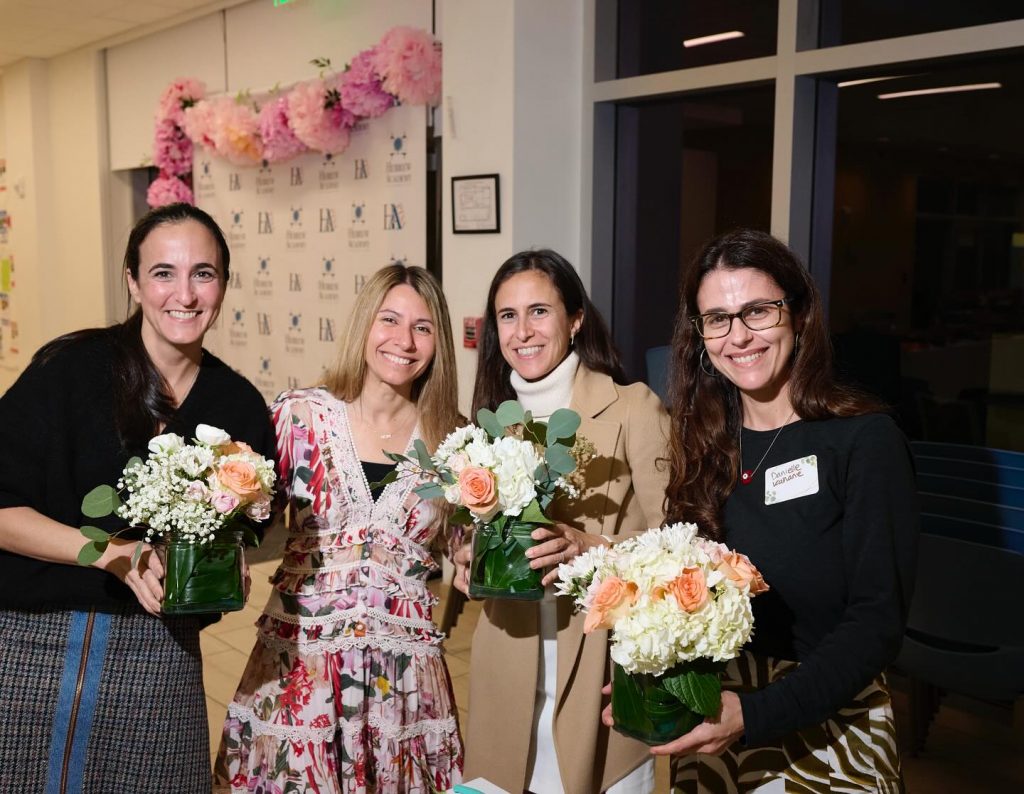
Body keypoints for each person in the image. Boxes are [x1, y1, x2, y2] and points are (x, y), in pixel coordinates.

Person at [0, 202, 275, 792]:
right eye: (163, 273)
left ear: (224, 284)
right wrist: (111, 553)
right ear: (132, 280)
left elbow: (241, 535)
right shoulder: (71, 371)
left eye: (204, 273)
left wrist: (227, 566)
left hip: (159, 658)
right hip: (33, 644)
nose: (186, 293)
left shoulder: (239, 408)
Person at [652, 229, 917, 791]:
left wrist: (757, 714)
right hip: (714, 719)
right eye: (717, 319)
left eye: (758, 311)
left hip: (830, 727)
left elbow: (877, 622)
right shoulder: (702, 445)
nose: (738, 336)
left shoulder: (864, 442)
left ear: (798, 315)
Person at [216, 265, 464, 793]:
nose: (404, 340)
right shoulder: (299, 417)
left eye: (423, 327)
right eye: (389, 319)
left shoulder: (455, 440)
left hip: (401, 681)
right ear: (364, 326)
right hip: (303, 666)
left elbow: (468, 552)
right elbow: (247, 521)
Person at [455, 249, 670, 793]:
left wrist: (593, 546)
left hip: (599, 672)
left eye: (539, 312)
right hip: (506, 666)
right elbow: (472, 533)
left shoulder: (633, 408)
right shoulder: (488, 418)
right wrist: (461, 557)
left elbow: (682, 545)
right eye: (507, 316)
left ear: (575, 320)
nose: (522, 331)